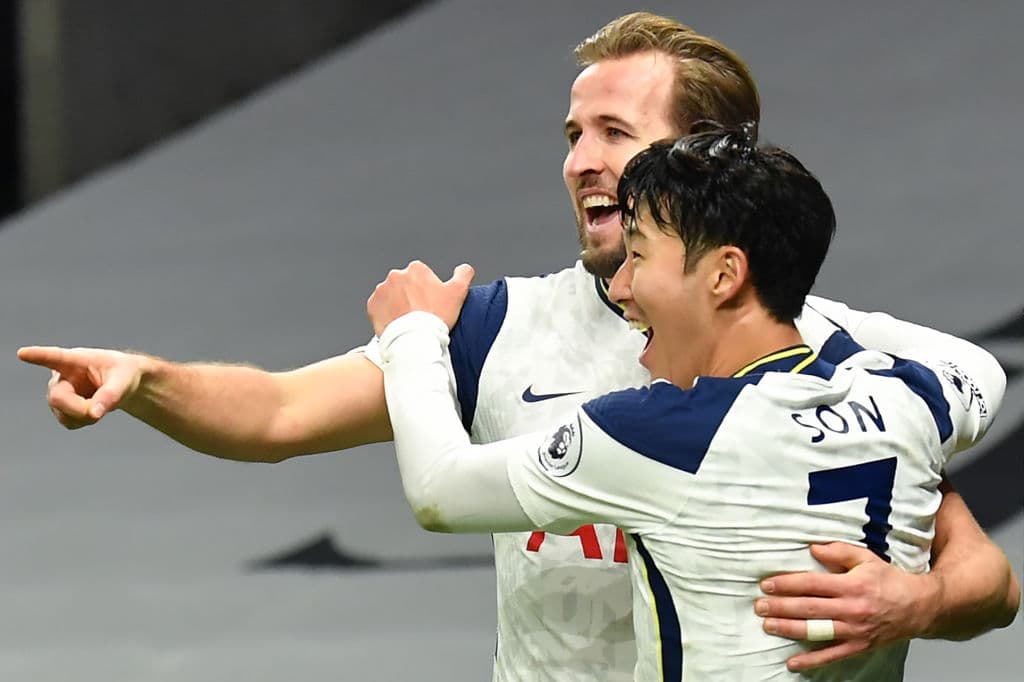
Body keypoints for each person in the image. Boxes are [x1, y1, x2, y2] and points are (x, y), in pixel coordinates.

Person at [17, 11, 1018, 681]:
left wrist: (919, 602)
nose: (581, 161)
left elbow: (987, 578)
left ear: (700, 162)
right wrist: (144, 381)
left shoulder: (825, 359)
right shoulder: (499, 329)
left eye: (613, 133)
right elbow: (277, 415)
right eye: (571, 135)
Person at [366, 125, 1012, 680]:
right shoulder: (908, 403)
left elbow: (439, 489)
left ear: (725, 275)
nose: (620, 286)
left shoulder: (664, 435)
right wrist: (922, 601)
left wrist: (413, 332)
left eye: (638, 256)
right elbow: (979, 376)